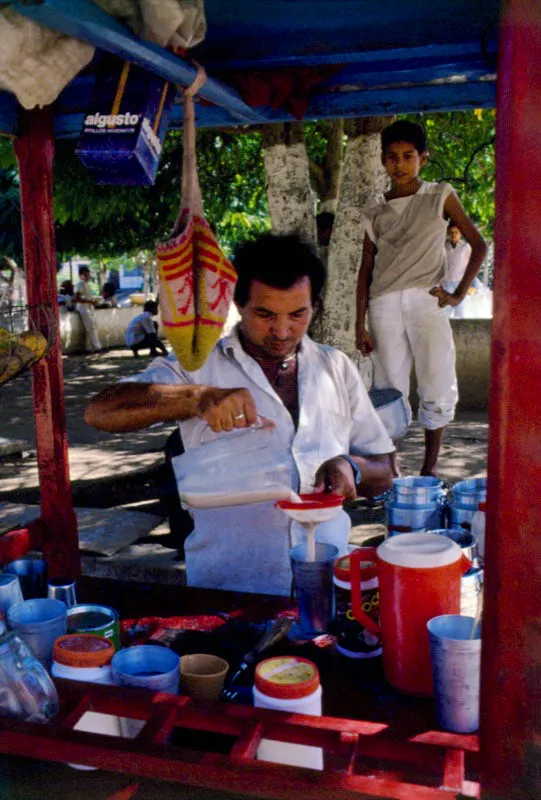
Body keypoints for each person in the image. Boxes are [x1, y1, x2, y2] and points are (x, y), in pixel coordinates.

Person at [85, 234, 394, 596]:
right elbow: (100, 411)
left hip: (328, 586)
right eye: (265, 314)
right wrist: (196, 398)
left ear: (315, 306)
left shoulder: (336, 368)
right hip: (229, 587)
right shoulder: (198, 369)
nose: (282, 331)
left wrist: (351, 467)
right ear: (238, 304)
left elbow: (386, 470)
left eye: (298, 314)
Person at [355, 120, 487, 477]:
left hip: (427, 301)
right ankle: (391, 471)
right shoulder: (375, 211)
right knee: (387, 390)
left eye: (408, 156)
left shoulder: (439, 194)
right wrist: (359, 324)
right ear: (383, 161)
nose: (399, 164)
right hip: (382, 305)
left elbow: (479, 244)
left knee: (437, 380)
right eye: (392, 158)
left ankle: (429, 471)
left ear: (423, 159)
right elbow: (364, 271)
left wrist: (457, 295)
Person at [74, 266, 101, 353]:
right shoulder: (81, 283)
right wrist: (90, 301)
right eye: (85, 275)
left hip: (87, 308)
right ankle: (97, 347)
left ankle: (89, 347)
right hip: (84, 308)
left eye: (88, 275)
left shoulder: (84, 284)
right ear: (80, 275)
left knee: (90, 327)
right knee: (91, 327)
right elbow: (77, 298)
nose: (87, 277)